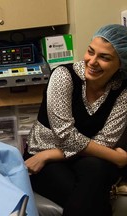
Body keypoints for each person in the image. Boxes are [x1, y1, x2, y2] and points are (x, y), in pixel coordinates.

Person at [24, 24, 127, 216]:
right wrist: (118, 158)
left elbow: (106, 141)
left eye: (104, 57)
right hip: (40, 158)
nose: (93, 61)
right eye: (90, 52)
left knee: (95, 172)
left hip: (65, 157)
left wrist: (49, 154)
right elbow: (66, 136)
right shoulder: (64, 76)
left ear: (120, 64)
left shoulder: (123, 91)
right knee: (93, 198)